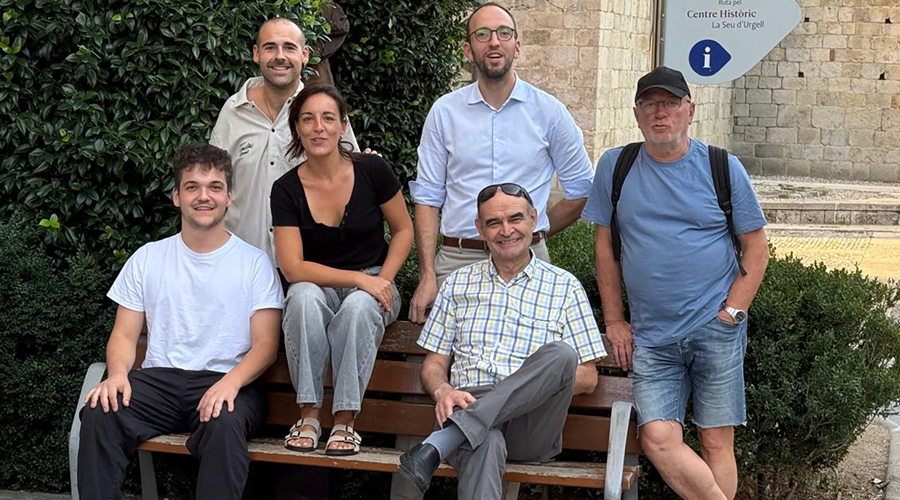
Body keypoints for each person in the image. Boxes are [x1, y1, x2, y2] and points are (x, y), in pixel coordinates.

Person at [582, 66, 769, 500]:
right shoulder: (616, 166)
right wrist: (615, 320)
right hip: (650, 337)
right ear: (636, 113)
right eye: (650, 104)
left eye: (669, 103)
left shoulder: (723, 167)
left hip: (716, 329)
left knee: (716, 442)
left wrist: (732, 313)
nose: (660, 112)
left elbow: (756, 249)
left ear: (690, 110)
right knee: (658, 439)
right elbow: (606, 252)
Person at [77, 143, 284, 500]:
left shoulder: (254, 263)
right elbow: (124, 336)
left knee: (224, 421)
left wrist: (230, 384)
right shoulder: (147, 258)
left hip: (229, 381)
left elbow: (266, 346)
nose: (204, 197)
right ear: (176, 196)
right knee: (100, 410)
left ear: (229, 196)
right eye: (192, 187)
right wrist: (117, 375)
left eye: (215, 187)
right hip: (160, 383)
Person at [396, 183, 606, 499]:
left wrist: (518, 389)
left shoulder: (565, 288)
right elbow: (434, 365)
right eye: (494, 223)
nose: (506, 230)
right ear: (480, 229)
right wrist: (443, 390)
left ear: (533, 219)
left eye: (515, 219)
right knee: (485, 439)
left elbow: (588, 377)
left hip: (531, 427)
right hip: (467, 410)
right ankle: (465, 429)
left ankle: (441, 441)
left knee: (562, 355)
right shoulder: (457, 284)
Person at [407, 2, 594, 324]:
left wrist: (531, 229)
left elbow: (582, 190)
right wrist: (427, 275)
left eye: (503, 33)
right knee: (445, 366)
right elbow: (427, 197)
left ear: (517, 45)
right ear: (468, 49)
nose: (494, 41)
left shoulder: (549, 112)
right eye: (482, 34)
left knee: (532, 366)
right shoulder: (444, 112)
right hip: (457, 259)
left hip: (528, 258)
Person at [271, 84, 413, 455]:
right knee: (300, 297)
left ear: (342, 125)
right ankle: (309, 414)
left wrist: (381, 280)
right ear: (296, 129)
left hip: (375, 281)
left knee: (359, 306)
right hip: (318, 283)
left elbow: (403, 230)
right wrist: (357, 279)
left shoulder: (373, 170)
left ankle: (346, 421)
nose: (318, 127)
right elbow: (293, 267)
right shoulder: (285, 189)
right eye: (308, 119)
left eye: (328, 118)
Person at [210, 17, 360, 265]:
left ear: (304, 55)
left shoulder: (325, 112)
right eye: (270, 47)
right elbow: (213, 184)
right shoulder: (233, 111)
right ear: (256, 54)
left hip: (311, 267)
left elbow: (352, 182)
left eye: (289, 47)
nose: (280, 56)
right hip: (242, 264)